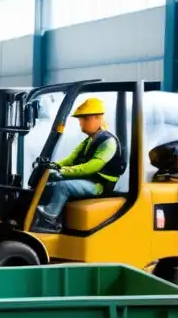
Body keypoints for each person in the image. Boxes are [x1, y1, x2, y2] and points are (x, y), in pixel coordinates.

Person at [33, 97, 125, 233]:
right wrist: (53, 165)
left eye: (85, 119)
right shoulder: (90, 140)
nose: (81, 123)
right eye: (80, 120)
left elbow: (92, 167)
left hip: (99, 185)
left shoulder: (108, 142)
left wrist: (63, 171)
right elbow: (71, 158)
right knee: (50, 179)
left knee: (63, 186)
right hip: (88, 180)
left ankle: (49, 219)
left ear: (98, 118)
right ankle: (45, 213)